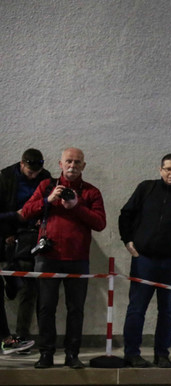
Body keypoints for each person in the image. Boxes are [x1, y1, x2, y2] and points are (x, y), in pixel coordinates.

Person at [18, 148, 106, 369]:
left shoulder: (91, 192)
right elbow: (26, 212)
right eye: (69, 161)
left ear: (83, 166)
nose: (72, 165)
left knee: (76, 309)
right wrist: (48, 200)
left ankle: (72, 354)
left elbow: (100, 223)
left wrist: (77, 206)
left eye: (77, 162)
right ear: (60, 163)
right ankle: (46, 353)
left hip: (77, 259)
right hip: (48, 257)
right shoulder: (46, 186)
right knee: (46, 308)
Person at [118, 154, 171, 368]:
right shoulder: (146, 189)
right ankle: (132, 353)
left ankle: (162, 354)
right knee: (137, 308)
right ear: (160, 170)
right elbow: (125, 215)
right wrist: (128, 242)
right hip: (144, 260)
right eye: (168, 169)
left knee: (168, 310)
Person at [0, 149, 52, 354]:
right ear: (21, 164)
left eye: (36, 173)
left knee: (28, 289)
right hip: (8, 237)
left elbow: (49, 205)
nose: (33, 176)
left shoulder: (46, 177)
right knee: (14, 287)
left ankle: (21, 337)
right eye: (30, 172)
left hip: (33, 237)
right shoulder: (5, 178)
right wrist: (12, 222)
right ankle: (8, 338)